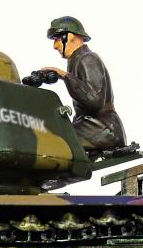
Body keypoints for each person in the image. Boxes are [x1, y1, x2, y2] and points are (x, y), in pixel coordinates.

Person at [41, 16, 126, 153]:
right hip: (93, 127)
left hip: (103, 129)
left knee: (52, 141)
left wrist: (64, 75)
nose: (55, 46)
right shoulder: (76, 60)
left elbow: (94, 101)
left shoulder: (88, 58)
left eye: (57, 39)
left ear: (70, 36)